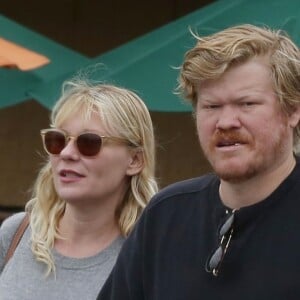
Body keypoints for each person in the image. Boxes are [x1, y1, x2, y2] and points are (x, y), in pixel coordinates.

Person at [96, 24, 300, 300]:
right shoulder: (165, 216)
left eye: (247, 104)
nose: (226, 121)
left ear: (293, 110)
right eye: (211, 106)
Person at [0, 79, 158, 299]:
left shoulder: (150, 257)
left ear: (135, 160)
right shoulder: (16, 233)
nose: (66, 153)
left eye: (89, 143)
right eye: (57, 140)